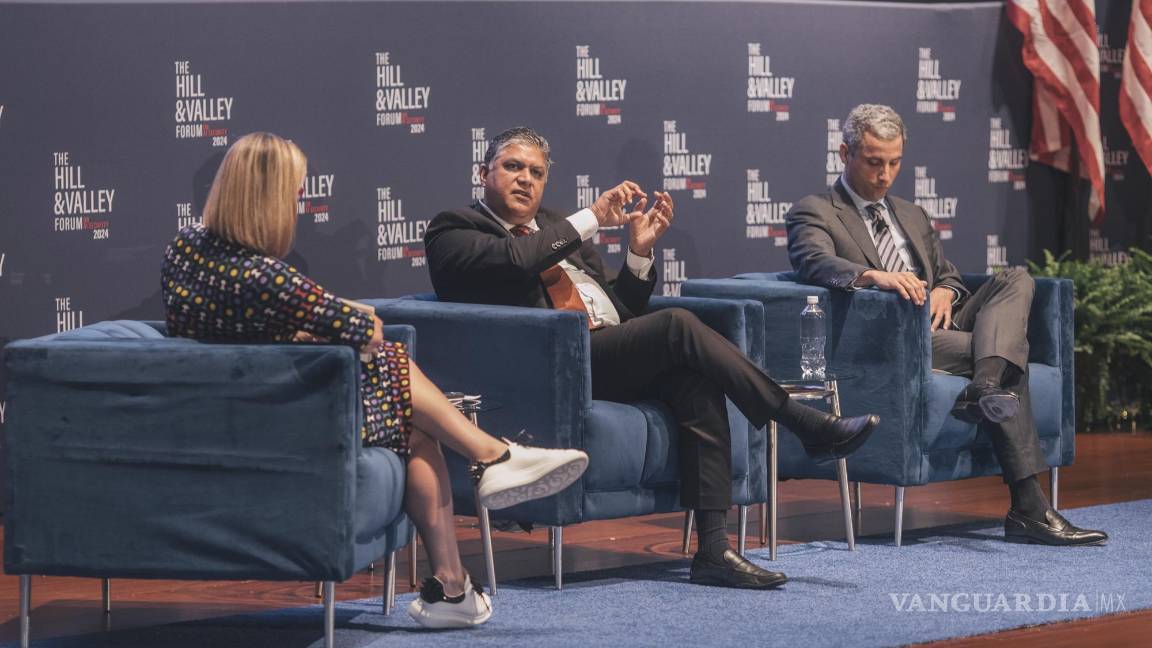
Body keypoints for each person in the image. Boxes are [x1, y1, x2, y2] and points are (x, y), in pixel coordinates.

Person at [161, 132, 590, 629]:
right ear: (268, 199)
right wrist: (338, 320)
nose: (298, 205)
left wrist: (303, 327)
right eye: (294, 194)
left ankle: (453, 587)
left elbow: (221, 323)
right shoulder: (266, 277)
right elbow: (366, 327)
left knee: (411, 421)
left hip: (239, 400)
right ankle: (492, 457)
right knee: (391, 364)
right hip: (279, 417)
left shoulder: (187, 251)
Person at [424, 126, 881, 590]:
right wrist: (591, 217)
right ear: (484, 173)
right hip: (550, 367)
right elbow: (517, 258)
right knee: (677, 324)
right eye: (513, 167)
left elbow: (622, 312)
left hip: (605, 351)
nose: (526, 179)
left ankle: (713, 550)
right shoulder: (455, 230)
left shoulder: (557, 228)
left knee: (694, 381)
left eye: (537, 172)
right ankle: (800, 420)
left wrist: (638, 254)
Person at [785, 104, 1107, 546]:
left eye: (894, 163)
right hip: (895, 336)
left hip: (943, 322)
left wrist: (946, 292)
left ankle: (985, 383)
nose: (885, 175)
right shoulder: (816, 210)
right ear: (845, 153)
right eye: (874, 162)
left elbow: (950, 276)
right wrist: (874, 275)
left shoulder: (911, 214)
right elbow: (814, 263)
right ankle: (1029, 505)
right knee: (1009, 353)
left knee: (1016, 278)